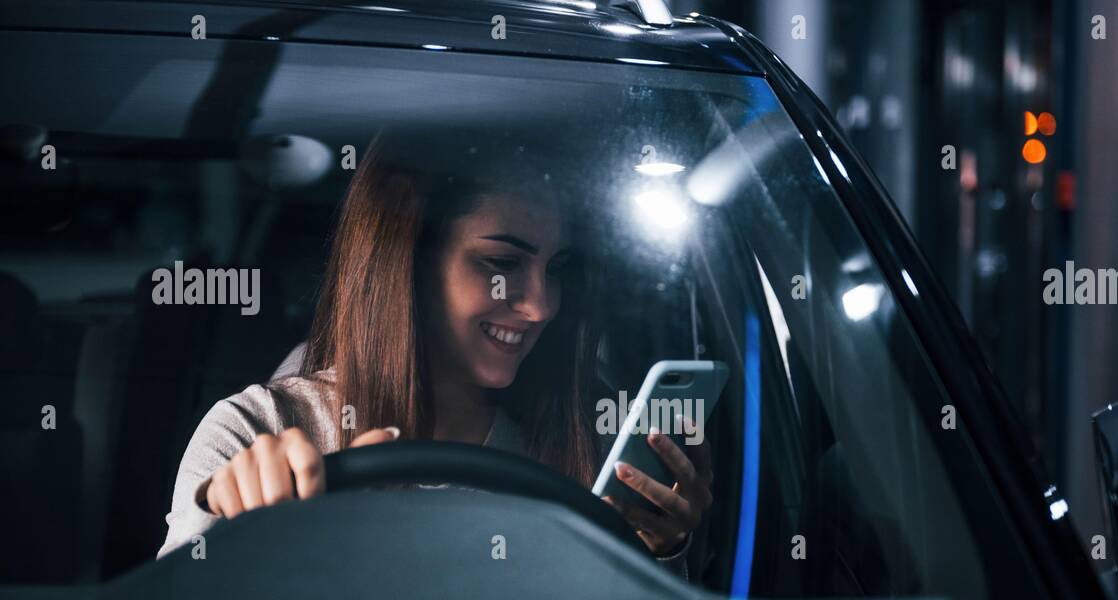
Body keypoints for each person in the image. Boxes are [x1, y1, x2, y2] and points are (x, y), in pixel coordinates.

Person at [158, 133, 713, 567]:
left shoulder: (590, 438)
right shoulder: (256, 432)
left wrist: (658, 554)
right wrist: (251, 543)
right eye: (501, 264)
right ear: (412, 265)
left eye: (559, 269)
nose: (541, 307)